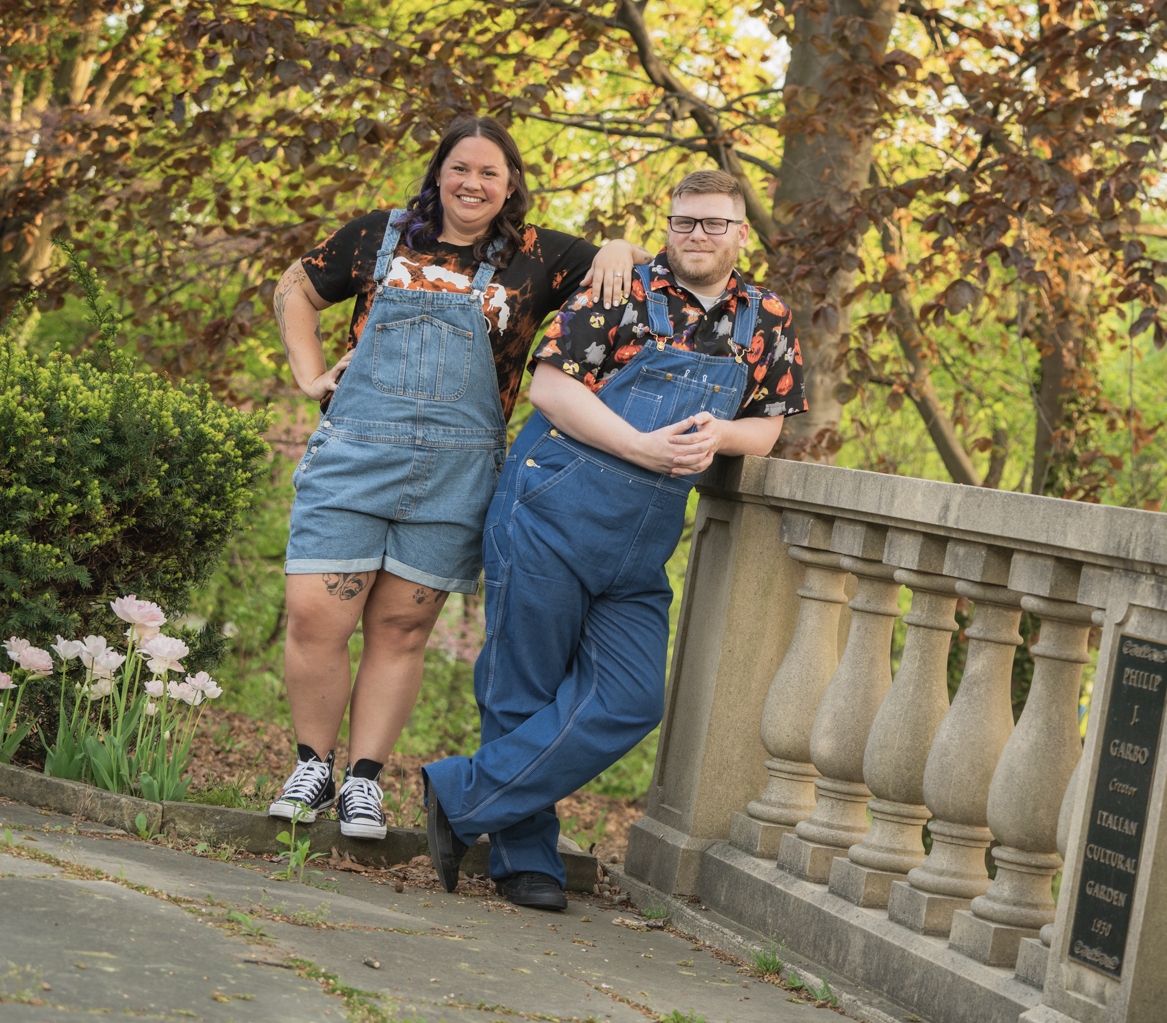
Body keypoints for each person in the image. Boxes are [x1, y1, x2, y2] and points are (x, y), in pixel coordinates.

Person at [420, 169, 807, 910]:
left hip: (639, 544)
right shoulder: (619, 288)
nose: (697, 235)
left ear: (740, 234)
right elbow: (552, 388)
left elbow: (770, 424)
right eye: (684, 221)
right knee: (522, 688)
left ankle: (460, 793)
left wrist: (723, 432)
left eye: (713, 224)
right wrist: (644, 448)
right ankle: (525, 859)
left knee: (631, 697)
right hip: (549, 509)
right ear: (668, 225)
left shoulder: (767, 318)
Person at [269, 115, 649, 840]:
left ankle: (362, 783)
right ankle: (312, 766)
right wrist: (310, 376)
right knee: (318, 616)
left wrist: (621, 247)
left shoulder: (540, 257)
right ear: (438, 173)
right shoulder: (382, 235)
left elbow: (633, 273)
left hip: (458, 467)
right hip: (355, 452)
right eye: (461, 168)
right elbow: (297, 288)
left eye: (489, 174)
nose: (473, 183)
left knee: (402, 628)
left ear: (509, 188)